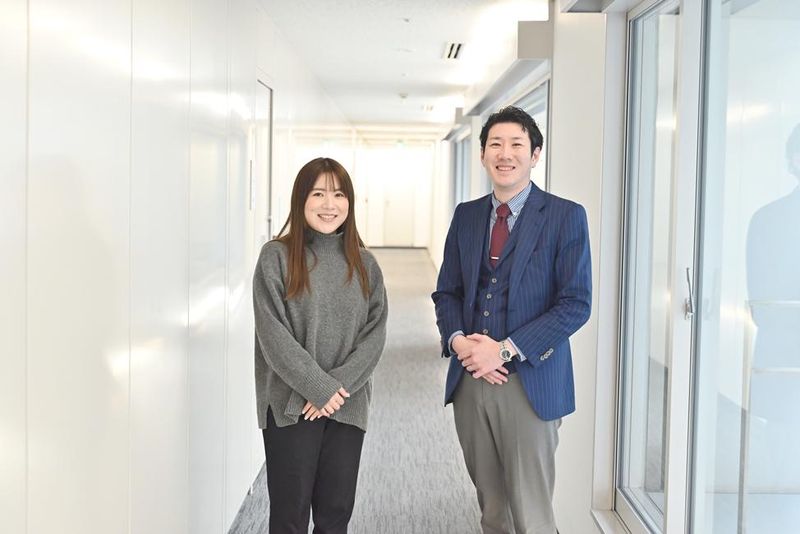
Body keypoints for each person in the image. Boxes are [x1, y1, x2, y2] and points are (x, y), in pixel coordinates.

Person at [432, 106, 591, 534]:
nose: (505, 154)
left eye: (517, 144)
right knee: (492, 509)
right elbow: (447, 292)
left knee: (531, 514)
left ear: (535, 154)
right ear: (483, 154)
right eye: (496, 144)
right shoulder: (466, 215)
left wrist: (504, 350)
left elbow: (576, 303)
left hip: (529, 381)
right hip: (470, 380)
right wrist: (460, 342)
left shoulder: (564, 215)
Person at [253, 157, 388, 534]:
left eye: (339, 194)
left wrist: (335, 389)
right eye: (318, 194)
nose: (330, 204)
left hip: (347, 404)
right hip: (291, 405)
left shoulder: (365, 264)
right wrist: (318, 387)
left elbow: (375, 335)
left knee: (335, 514)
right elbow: (273, 335)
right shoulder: (275, 257)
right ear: (301, 199)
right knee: (289, 516)